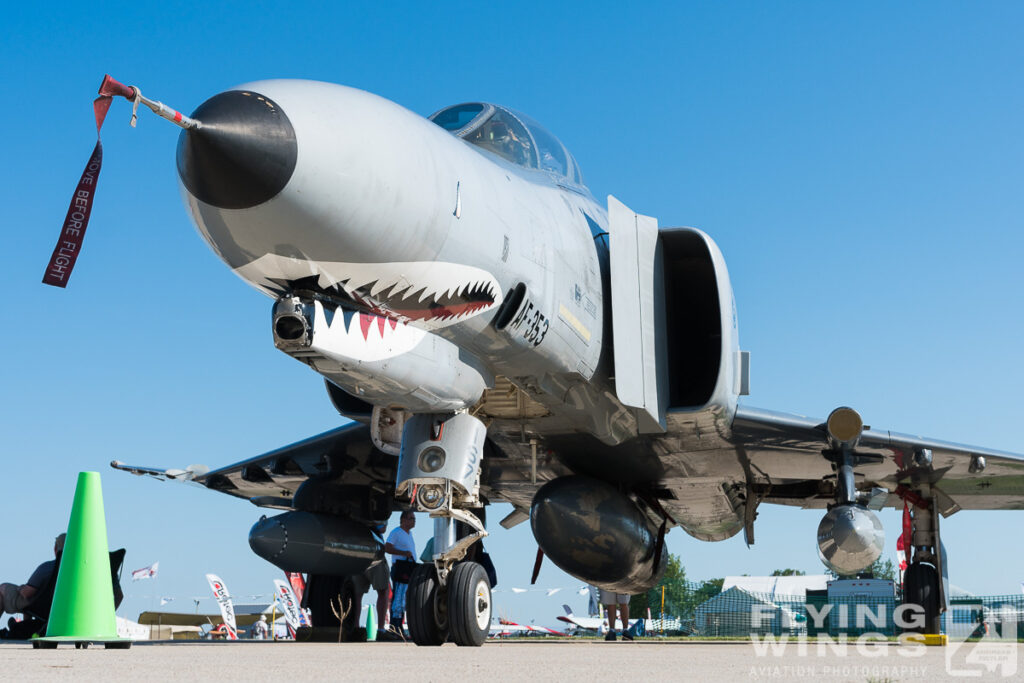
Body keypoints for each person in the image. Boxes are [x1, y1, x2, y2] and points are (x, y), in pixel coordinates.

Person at [0, 534, 65, 617]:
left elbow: (26, 593)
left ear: (55, 549)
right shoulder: (73, 571)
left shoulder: (47, 568)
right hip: (56, 607)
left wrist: (21, 588)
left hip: (38, 605)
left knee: (2, 588)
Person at [384, 511, 416, 627]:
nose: (414, 521)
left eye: (414, 519)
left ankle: (399, 625)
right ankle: (395, 626)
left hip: (408, 568)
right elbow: (387, 548)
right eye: (411, 518)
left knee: (403, 598)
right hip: (400, 569)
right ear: (403, 520)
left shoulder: (409, 534)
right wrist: (403, 553)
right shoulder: (396, 532)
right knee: (398, 597)